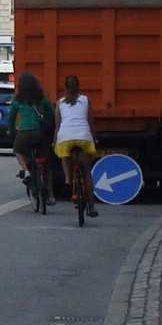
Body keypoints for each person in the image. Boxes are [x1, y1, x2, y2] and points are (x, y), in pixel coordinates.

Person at [7, 72, 56, 205]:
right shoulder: (42, 98)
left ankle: (26, 170)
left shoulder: (18, 100)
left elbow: (11, 118)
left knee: (18, 150)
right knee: (46, 164)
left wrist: (10, 131)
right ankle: (51, 195)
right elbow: (51, 114)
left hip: (24, 133)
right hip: (40, 132)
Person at [53, 75, 98, 218]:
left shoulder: (60, 103)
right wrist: (94, 137)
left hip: (65, 138)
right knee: (87, 172)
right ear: (79, 86)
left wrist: (55, 141)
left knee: (64, 154)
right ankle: (91, 206)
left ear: (65, 88)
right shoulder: (85, 100)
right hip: (83, 138)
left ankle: (68, 179)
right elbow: (90, 121)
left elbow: (58, 125)